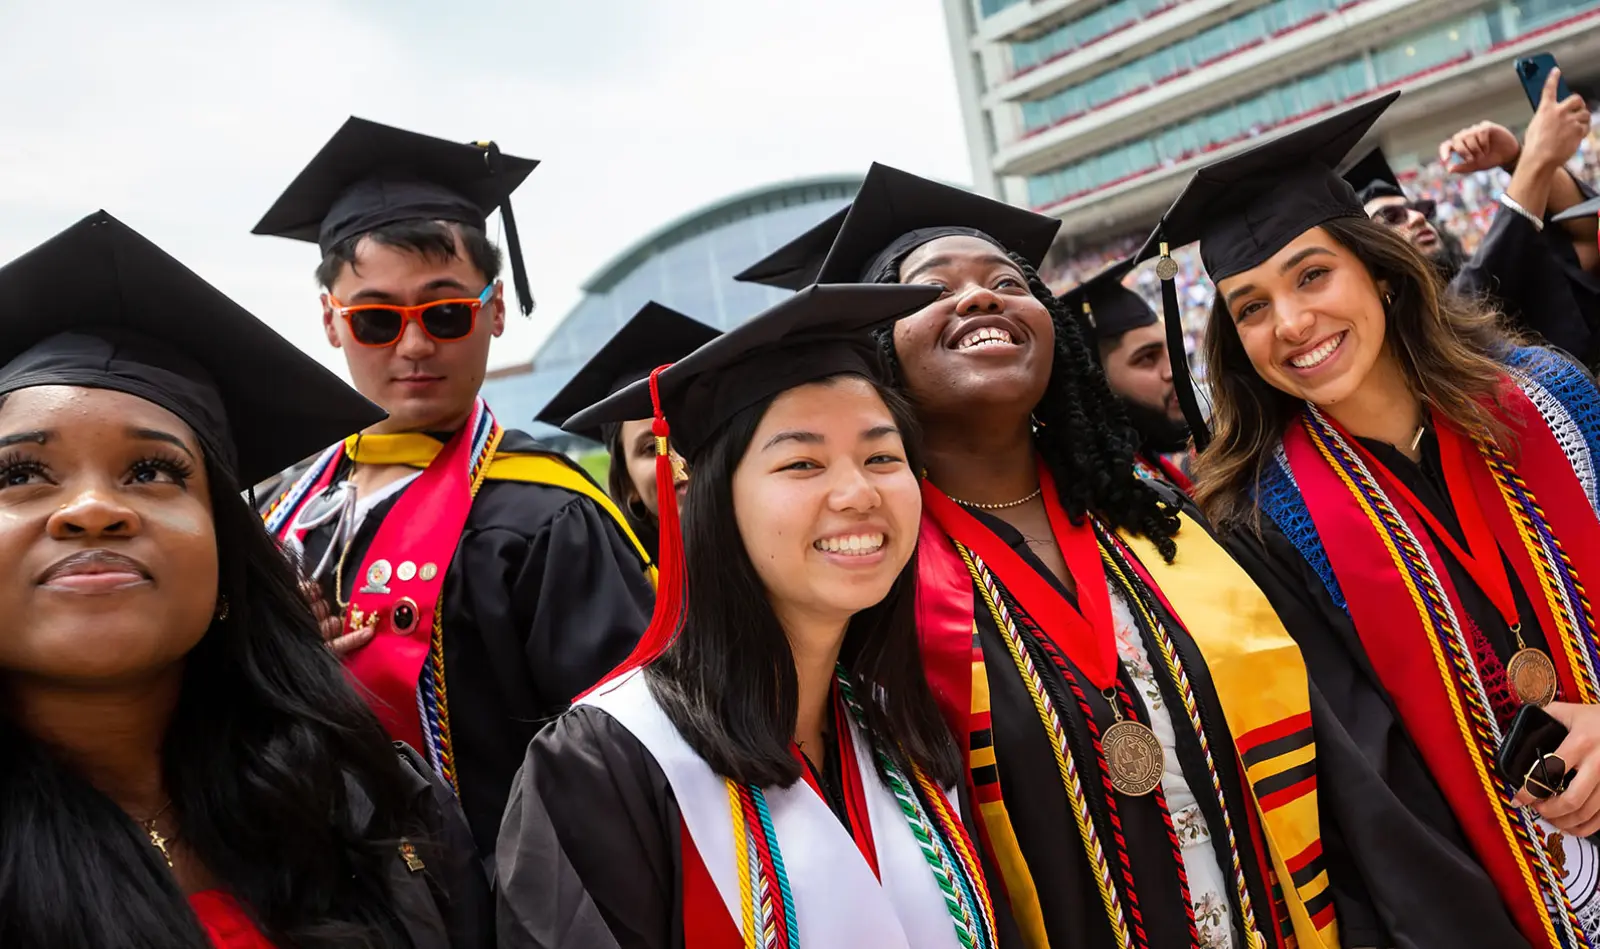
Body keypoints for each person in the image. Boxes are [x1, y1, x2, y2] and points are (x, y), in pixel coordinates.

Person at [739, 163, 1335, 949]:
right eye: (930, 288)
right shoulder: (869, 590)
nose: (980, 297)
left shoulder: (1161, 522)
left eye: (1008, 281)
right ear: (876, 354)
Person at [1154, 90, 1600, 947]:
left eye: (1312, 274)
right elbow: (1370, 787)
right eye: (1250, 306)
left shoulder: (1553, 397)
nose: (1291, 323)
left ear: (1383, 272)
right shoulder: (1260, 527)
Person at [0, 210, 491, 949]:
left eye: (152, 470)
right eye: (21, 473)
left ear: (230, 558)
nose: (94, 508)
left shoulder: (378, 808)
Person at [498, 283, 1016, 949]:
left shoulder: (902, 727)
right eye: (802, 462)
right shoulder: (607, 762)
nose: (858, 492)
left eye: (882, 456)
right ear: (713, 503)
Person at [252, 116, 655, 857]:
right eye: (375, 318)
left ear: (496, 310)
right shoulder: (280, 514)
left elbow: (635, 766)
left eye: (445, 311)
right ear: (330, 323)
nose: (413, 345)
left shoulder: (546, 516)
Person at [1343, 67, 1599, 362]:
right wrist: (1534, 157)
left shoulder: (1496, 281)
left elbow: (1586, 239)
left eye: (1419, 209)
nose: (1416, 218)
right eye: (1391, 217)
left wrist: (1517, 158)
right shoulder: (1418, 339)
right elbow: (1469, 295)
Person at [534, 301, 719, 561]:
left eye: (691, 434)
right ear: (628, 485)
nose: (679, 460)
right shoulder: (622, 595)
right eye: (652, 448)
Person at [1060, 257, 1193, 491]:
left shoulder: (1153, 465)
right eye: (1147, 358)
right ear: (1096, 379)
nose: (1173, 371)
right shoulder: (1103, 493)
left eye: (1172, 350)